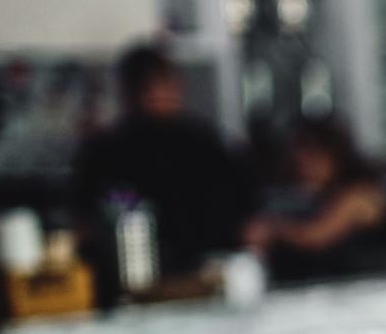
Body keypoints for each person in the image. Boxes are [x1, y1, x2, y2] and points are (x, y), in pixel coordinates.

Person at [71, 42, 256, 294]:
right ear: (127, 92)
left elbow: (247, 212)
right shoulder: (106, 152)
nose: (154, 95)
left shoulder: (205, 144)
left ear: (176, 87)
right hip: (132, 280)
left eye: (160, 85)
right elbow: (83, 219)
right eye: (145, 88)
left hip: (207, 273)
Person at [243, 117, 386, 282]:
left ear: (333, 155)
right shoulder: (324, 192)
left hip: (368, 285)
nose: (305, 170)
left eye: (313, 162)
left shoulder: (360, 193)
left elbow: (317, 236)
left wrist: (274, 228)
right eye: (299, 164)